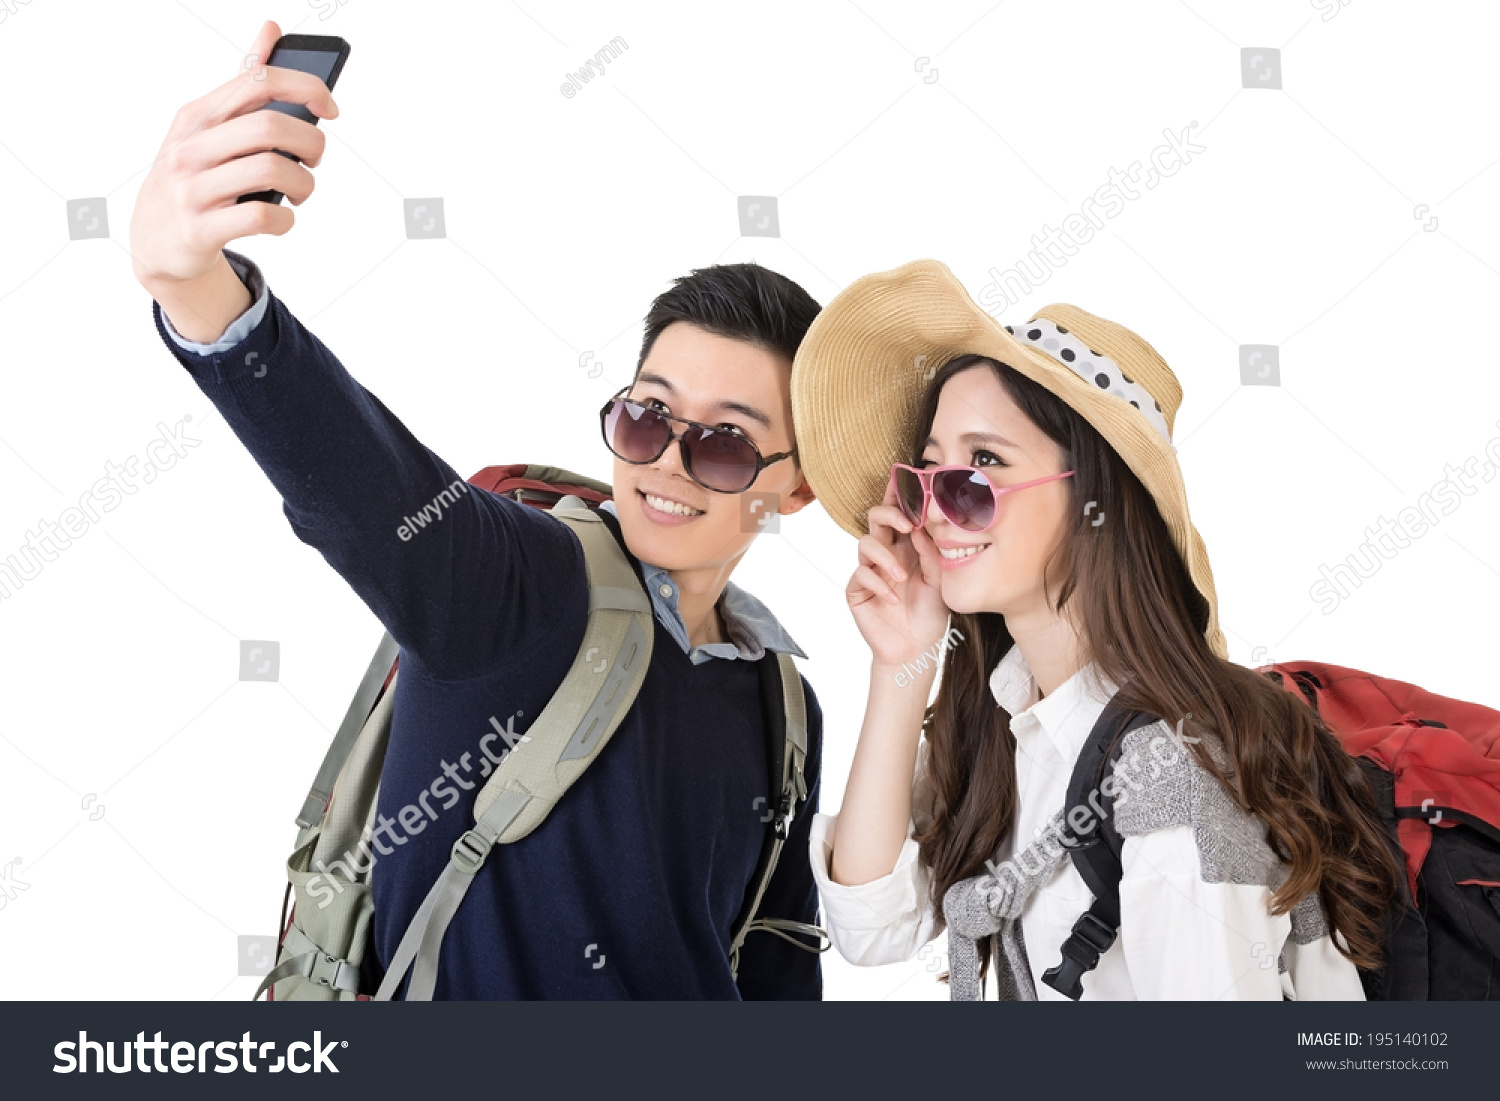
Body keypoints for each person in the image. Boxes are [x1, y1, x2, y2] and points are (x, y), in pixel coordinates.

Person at [130, 20, 825, 999]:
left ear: (794, 486)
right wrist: (192, 283)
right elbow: (357, 477)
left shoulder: (788, 709)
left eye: (722, 442)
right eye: (646, 417)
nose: (666, 461)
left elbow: (777, 970)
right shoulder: (521, 589)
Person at [788, 259, 1401, 999]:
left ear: (1093, 499)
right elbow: (869, 925)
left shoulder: (1174, 776)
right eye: (927, 472)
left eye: (983, 464)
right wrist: (903, 662)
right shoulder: (1012, 717)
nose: (941, 504)